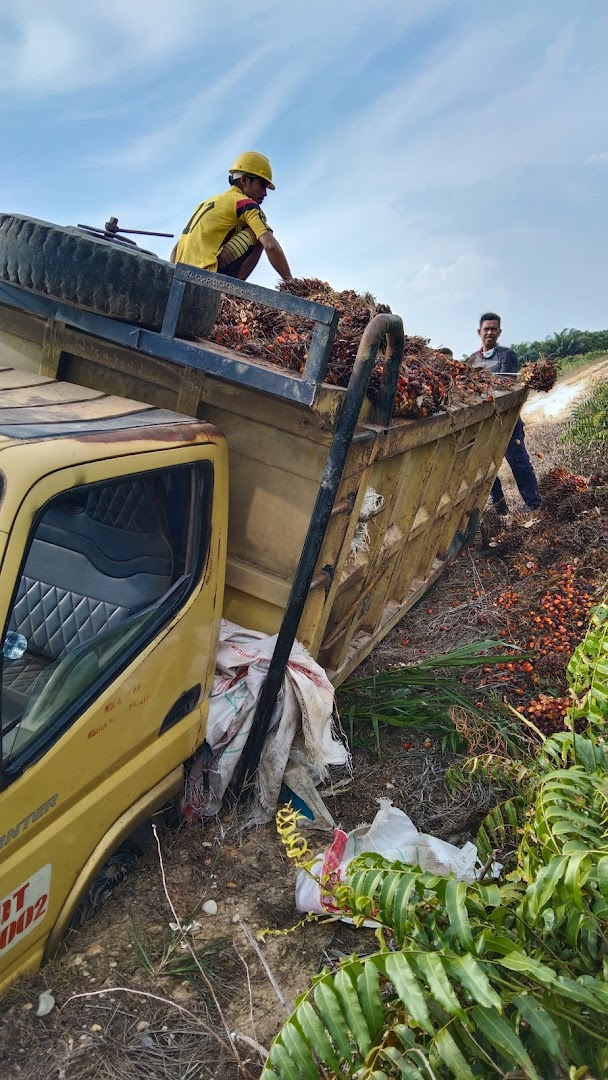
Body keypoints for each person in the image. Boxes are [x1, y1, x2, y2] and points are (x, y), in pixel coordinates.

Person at [170, 152, 292, 282]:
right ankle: (232, 291)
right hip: (206, 277)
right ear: (244, 180)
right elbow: (270, 246)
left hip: (181, 275)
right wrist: (292, 284)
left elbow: (176, 249)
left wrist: (173, 276)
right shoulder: (244, 203)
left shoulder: (207, 203)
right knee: (259, 233)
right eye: (261, 185)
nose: (265, 193)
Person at [474, 312, 542, 514]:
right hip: (485, 425)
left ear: (499, 332)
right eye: (486, 329)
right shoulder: (471, 361)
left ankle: (534, 505)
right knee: (486, 470)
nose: (490, 332)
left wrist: (481, 388)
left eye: (494, 329)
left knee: (519, 463)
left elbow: (505, 384)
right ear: (479, 332)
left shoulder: (506, 355)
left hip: (508, 421)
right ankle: (501, 509)